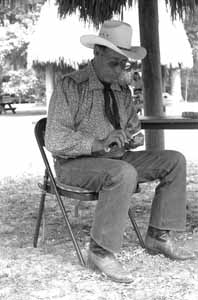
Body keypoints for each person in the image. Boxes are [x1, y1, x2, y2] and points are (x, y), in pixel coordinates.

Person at [45, 20, 195, 283]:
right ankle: (100, 252)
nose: (119, 71)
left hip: (116, 159)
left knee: (174, 160)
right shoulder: (70, 86)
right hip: (74, 164)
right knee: (123, 172)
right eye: (114, 63)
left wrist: (130, 137)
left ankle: (158, 236)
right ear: (97, 53)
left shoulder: (121, 89)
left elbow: (130, 127)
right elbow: (55, 138)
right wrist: (99, 143)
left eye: (123, 64)